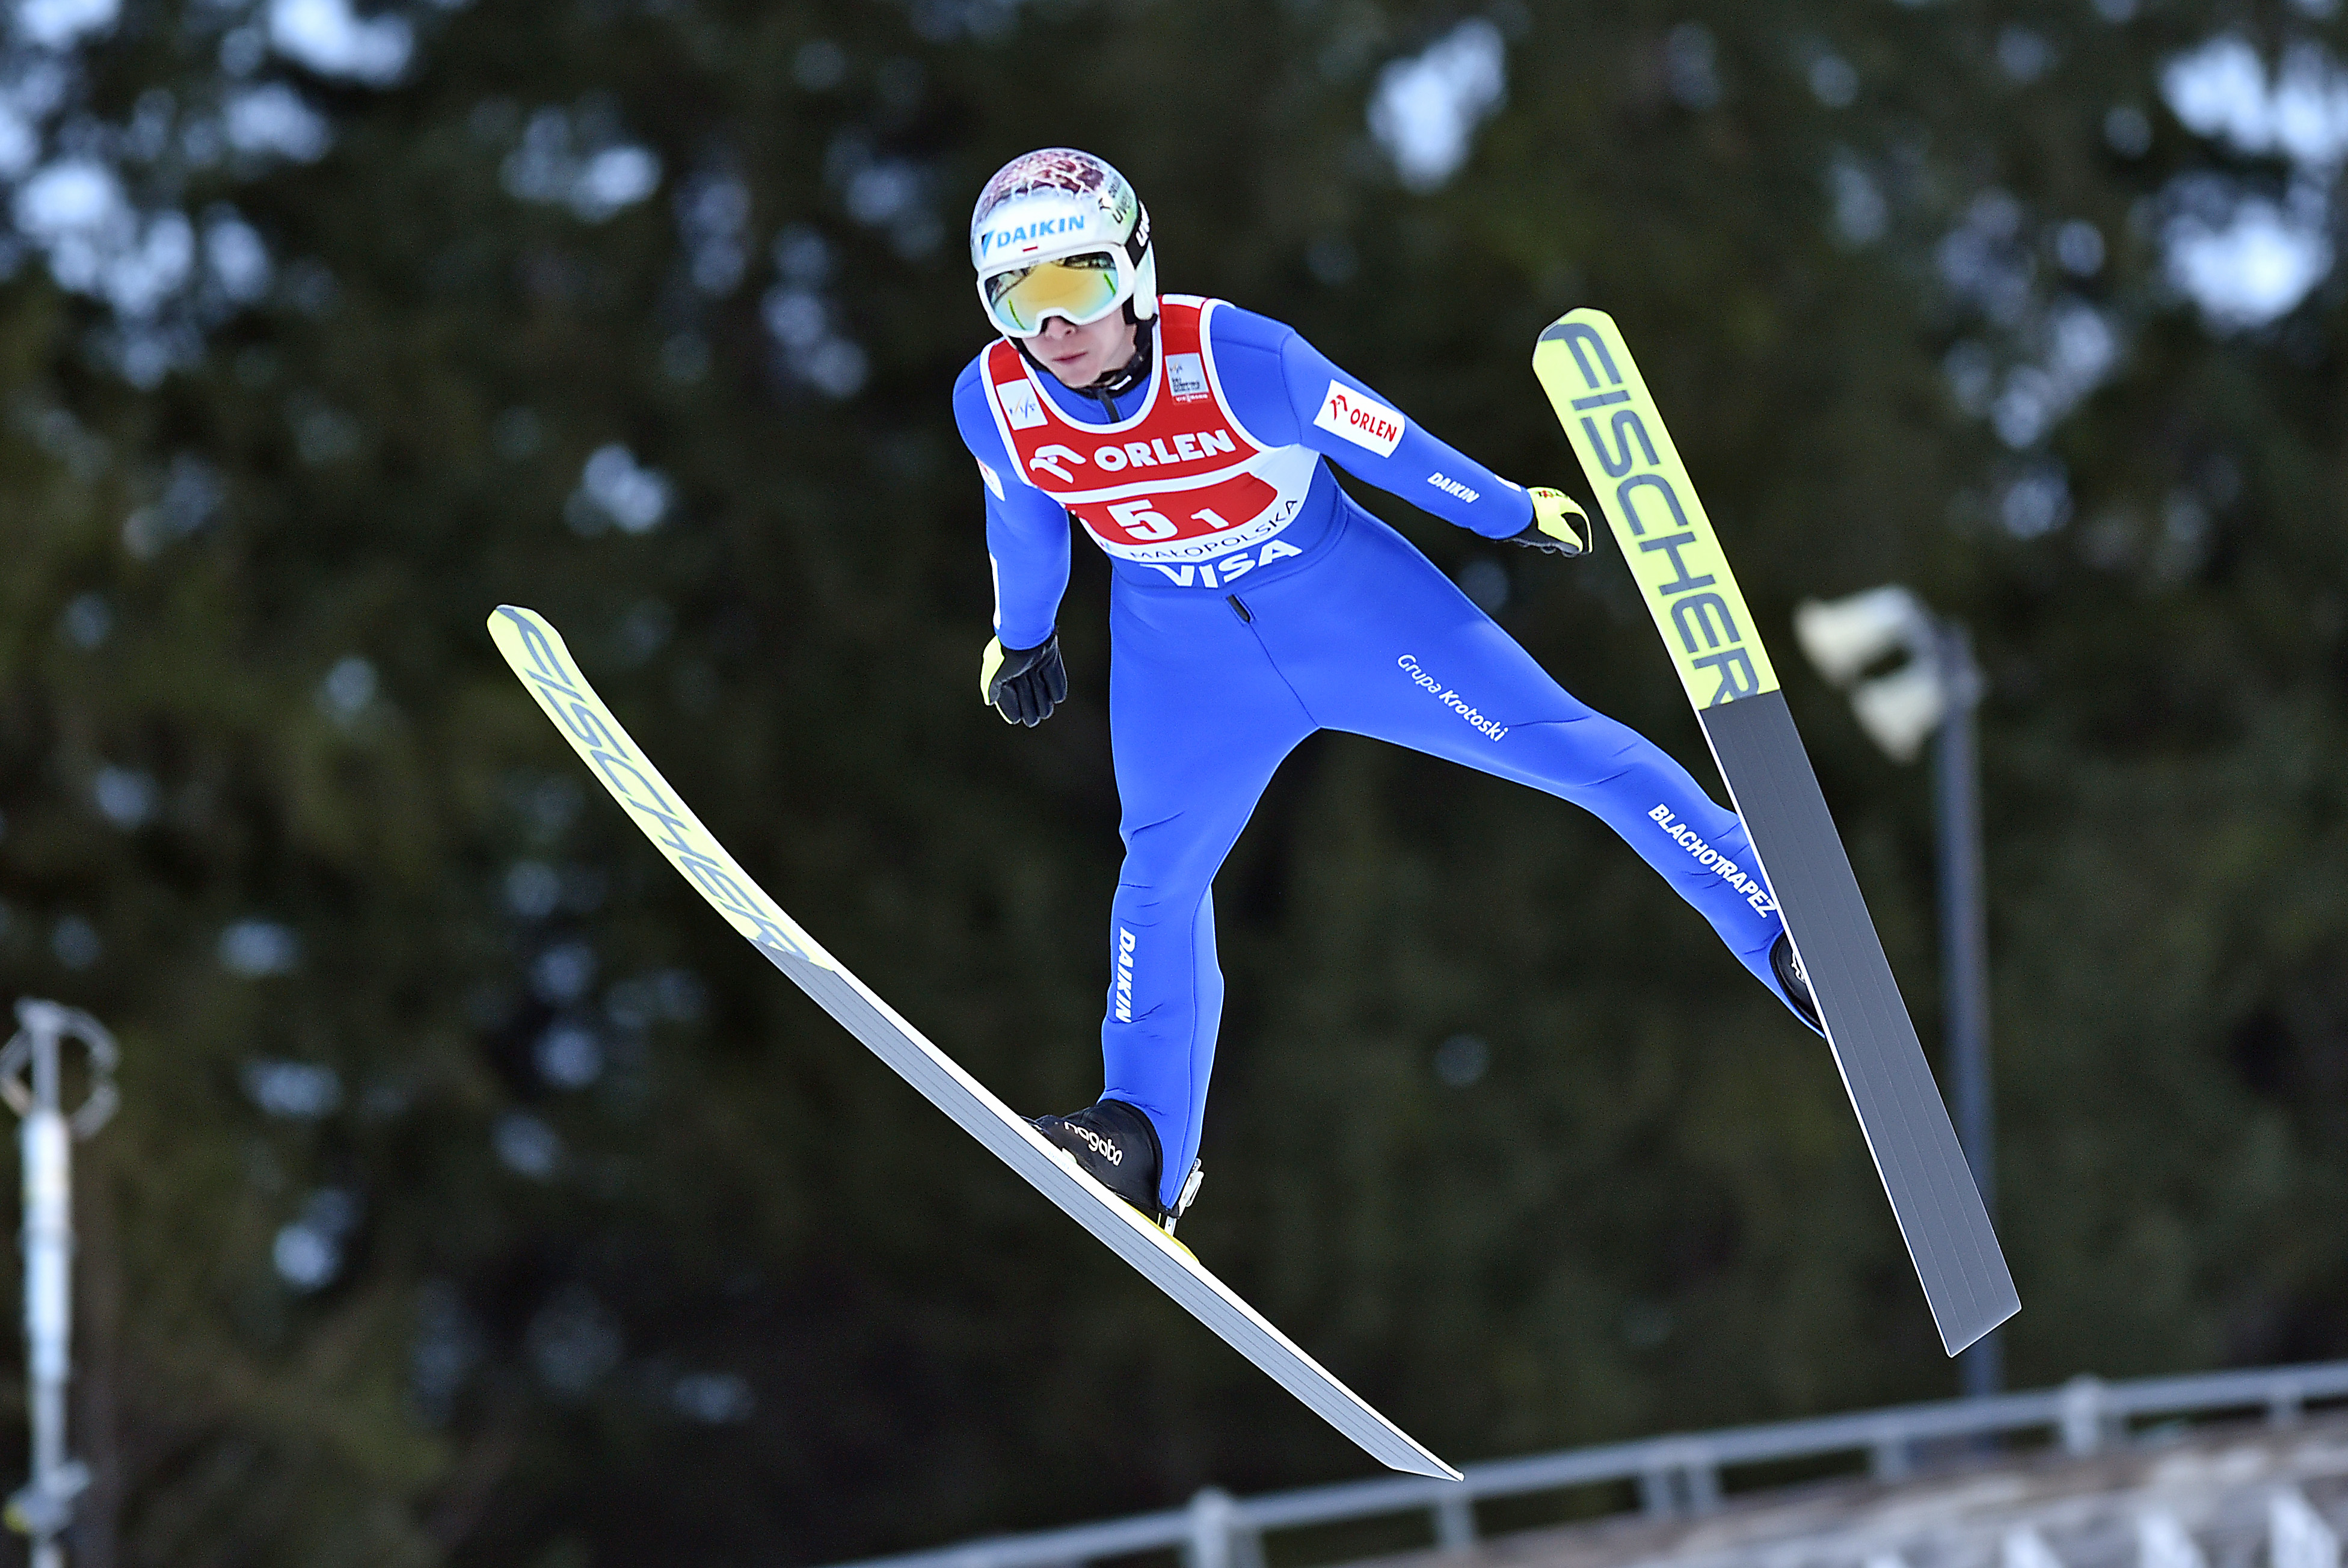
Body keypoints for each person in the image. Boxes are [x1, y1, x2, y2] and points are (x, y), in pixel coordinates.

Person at [951, 148, 1817, 1235]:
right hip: (1182, 658)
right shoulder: (996, 399)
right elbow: (1019, 523)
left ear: (1133, 268)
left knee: (1570, 752)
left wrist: (1506, 511)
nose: (1051, 329)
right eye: (1015, 299)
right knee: (1159, 879)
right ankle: (1143, 1142)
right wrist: (1019, 639)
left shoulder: (1237, 358)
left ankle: (1776, 924)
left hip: (1349, 611)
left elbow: (1389, 442)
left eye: (1072, 286)